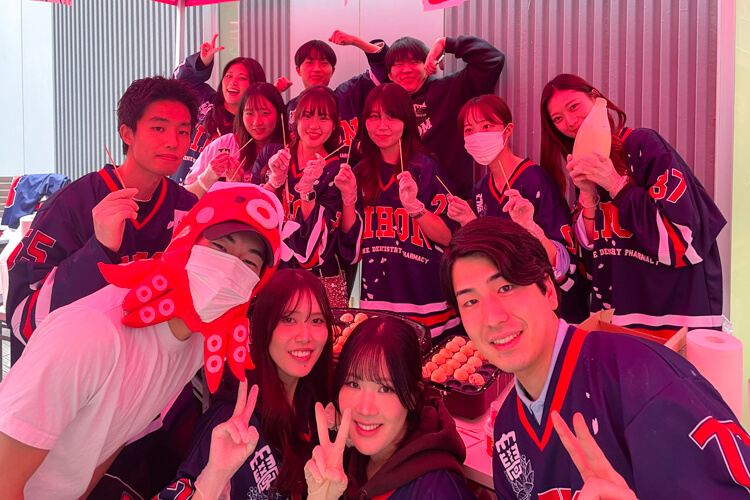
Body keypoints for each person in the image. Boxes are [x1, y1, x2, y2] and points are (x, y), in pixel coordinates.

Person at [0, 183, 290, 499]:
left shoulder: (198, 341)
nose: (230, 268)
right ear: (186, 239)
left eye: (249, 263)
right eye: (220, 247)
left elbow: (111, 437)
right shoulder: (90, 333)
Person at [439, 217, 750, 499]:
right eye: (471, 302)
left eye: (506, 287)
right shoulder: (508, 429)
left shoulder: (644, 385)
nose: (492, 318)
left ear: (548, 290)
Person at [7, 76, 200, 362]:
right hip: (81, 372)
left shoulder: (187, 208)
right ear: (127, 134)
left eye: (183, 131)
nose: (173, 142)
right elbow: (23, 318)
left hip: (154, 374)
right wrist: (99, 251)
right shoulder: (70, 205)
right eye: (158, 128)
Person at [540, 73, 725, 333]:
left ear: (596, 99)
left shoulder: (642, 144)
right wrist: (588, 196)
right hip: (620, 312)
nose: (570, 122)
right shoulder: (584, 166)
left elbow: (683, 234)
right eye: (558, 118)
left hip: (673, 312)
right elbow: (593, 259)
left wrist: (616, 185)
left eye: (574, 106)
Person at [158, 269, 333, 499]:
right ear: (262, 326)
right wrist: (211, 481)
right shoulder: (233, 418)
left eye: (317, 320)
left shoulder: (312, 406)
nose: (305, 336)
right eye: (289, 319)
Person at [447, 94, 587, 323]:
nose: (477, 135)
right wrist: (469, 221)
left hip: (547, 306)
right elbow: (490, 252)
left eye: (486, 126)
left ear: (508, 130)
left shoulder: (535, 180)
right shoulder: (481, 188)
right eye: (469, 130)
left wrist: (530, 227)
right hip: (506, 306)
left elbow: (563, 257)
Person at [304, 315, 476, 500]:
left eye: (385, 389)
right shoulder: (342, 461)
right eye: (354, 384)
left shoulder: (438, 491)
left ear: (413, 396)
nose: (364, 409)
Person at [336, 83, 459, 338]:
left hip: (425, 298)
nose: (382, 126)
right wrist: (348, 198)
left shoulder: (425, 167)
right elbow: (351, 243)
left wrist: (416, 209)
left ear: (407, 121)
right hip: (376, 299)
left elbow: (449, 237)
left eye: (392, 116)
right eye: (374, 116)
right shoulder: (359, 173)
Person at [251, 85, 349, 307]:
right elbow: (253, 217)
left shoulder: (339, 170)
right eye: (307, 116)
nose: (314, 125)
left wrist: (307, 191)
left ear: (335, 124)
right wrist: (273, 182)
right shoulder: (273, 154)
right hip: (270, 274)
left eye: (323, 118)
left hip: (318, 279)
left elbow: (316, 246)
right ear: (294, 118)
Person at [381, 35, 505, 199]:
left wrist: (446, 43)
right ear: (389, 75)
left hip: (451, 200)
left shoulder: (450, 89)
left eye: (414, 62)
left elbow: (491, 60)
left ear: (427, 64)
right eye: (399, 64)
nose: (407, 69)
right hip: (398, 201)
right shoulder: (383, 105)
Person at [172, 34, 268, 184]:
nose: (233, 82)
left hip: (214, 194)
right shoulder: (205, 99)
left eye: (242, 78)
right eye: (228, 76)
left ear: (254, 85)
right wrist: (202, 62)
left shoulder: (252, 126)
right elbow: (178, 83)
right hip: (178, 185)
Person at [286, 34, 389, 164]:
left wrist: (355, 41)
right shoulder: (291, 107)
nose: (316, 69)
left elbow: (387, 67)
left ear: (333, 70)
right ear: (298, 70)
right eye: (309, 63)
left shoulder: (349, 94)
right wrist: (273, 92)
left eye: (324, 63)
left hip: (350, 173)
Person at [184, 82, 286, 198]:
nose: (257, 122)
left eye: (264, 113)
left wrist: (239, 187)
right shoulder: (223, 145)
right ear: (241, 116)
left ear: (279, 116)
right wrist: (208, 177)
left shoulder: (288, 152)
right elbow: (186, 194)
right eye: (249, 113)